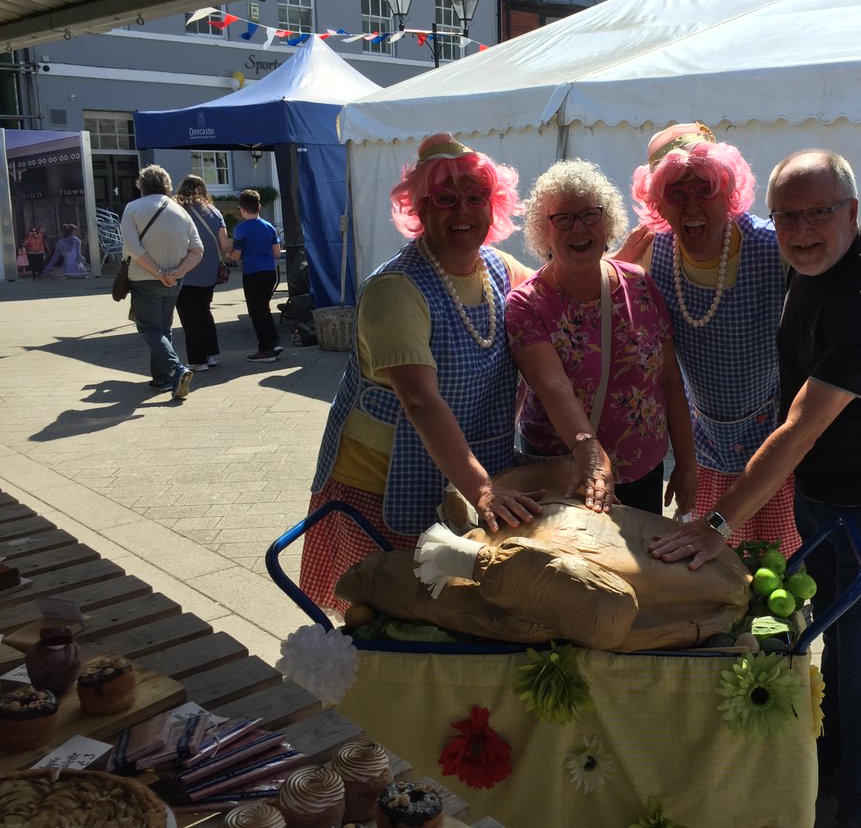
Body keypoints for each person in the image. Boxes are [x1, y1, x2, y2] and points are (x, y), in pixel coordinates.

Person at [651, 149, 861, 828]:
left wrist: (713, 524)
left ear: (854, 213)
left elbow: (803, 425)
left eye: (820, 214)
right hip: (819, 488)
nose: (803, 231)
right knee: (816, 625)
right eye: (788, 217)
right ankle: (825, 770)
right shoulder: (803, 267)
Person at [300, 133, 544, 613]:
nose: (463, 212)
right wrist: (484, 491)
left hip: (460, 478)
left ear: (494, 206)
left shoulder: (498, 268)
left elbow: (555, 293)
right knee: (386, 615)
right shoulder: (396, 288)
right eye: (445, 200)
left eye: (476, 198)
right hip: (381, 485)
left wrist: (618, 268)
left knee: (452, 614)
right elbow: (420, 400)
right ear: (419, 209)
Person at [620, 122, 798, 555]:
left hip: (776, 443)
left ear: (728, 189)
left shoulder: (774, 246)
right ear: (657, 200)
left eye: (704, 189)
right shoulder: (650, 250)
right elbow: (595, 297)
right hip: (705, 445)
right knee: (712, 564)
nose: (691, 204)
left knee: (782, 563)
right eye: (676, 193)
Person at [506, 159, 697, 516]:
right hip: (568, 474)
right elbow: (552, 386)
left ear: (607, 222)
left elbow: (670, 380)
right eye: (562, 218)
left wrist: (686, 463)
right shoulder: (527, 304)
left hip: (643, 469)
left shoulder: (639, 284)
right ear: (542, 232)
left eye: (590, 215)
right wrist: (589, 451)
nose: (578, 228)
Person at [120, 165, 205, 400]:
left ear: (141, 185)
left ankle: (176, 370)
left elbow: (132, 248)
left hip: (144, 278)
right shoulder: (181, 211)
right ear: (167, 185)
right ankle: (161, 379)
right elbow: (197, 250)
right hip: (174, 282)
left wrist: (158, 272)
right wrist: (175, 272)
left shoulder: (133, 208)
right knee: (163, 330)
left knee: (149, 328)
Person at [174, 176, 233, 371]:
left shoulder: (176, 210)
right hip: (209, 272)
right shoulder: (214, 212)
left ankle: (197, 360)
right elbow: (224, 245)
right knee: (205, 312)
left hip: (185, 270)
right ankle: (212, 355)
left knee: (190, 317)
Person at [229, 189, 282, 363]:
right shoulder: (269, 226)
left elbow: (236, 256)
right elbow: (277, 253)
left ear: (242, 210)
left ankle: (265, 349)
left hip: (252, 273)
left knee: (256, 312)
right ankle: (274, 342)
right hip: (269, 272)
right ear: (259, 206)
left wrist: (229, 254)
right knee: (264, 308)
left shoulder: (240, 229)